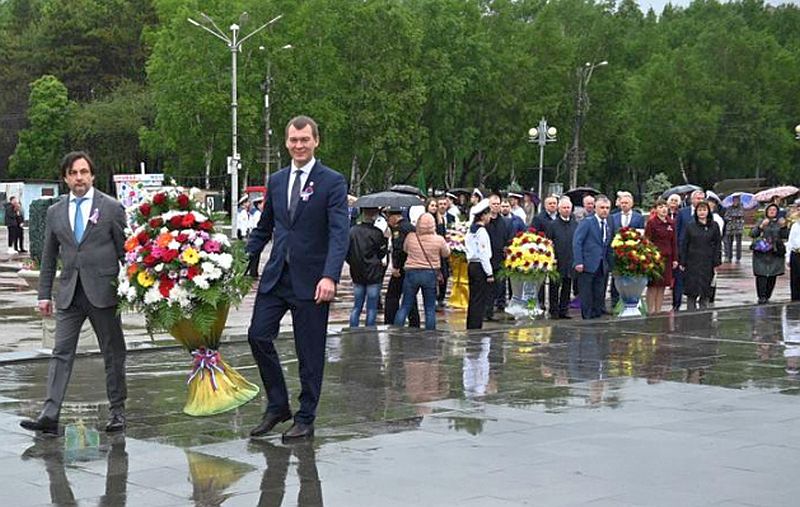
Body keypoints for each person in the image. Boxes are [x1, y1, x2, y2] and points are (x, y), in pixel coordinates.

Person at [246, 115, 349, 441]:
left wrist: (330, 276)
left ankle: (306, 417)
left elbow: (339, 233)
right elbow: (264, 227)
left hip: (313, 280)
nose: (299, 145)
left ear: (316, 141)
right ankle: (278, 405)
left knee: (309, 352)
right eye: (293, 140)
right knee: (257, 335)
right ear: (286, 142)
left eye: (305, 140)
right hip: (277, 276)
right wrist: (236, 262)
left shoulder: (332, 181)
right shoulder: (276, 180)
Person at [20, 151, 128, 435]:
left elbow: (126, 252)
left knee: (113, 353)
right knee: (60, 353)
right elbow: (48, 257)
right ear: (65, 178)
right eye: (73, 173)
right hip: (69, 293)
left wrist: (134, 287)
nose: (79, 178)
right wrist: (44, 294)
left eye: (83, 172)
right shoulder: (55, 212)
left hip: (103, 293)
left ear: (92, 175)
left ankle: (117, 411)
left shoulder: (111, 208)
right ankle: (50, 414)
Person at [394, 213, 450, 330]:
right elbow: (446, 253)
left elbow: (405, 249)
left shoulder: (411, 237)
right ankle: (430, 334)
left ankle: (396, 330)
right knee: (429, 308)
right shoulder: (438, 239)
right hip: (430, 274)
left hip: (411, 272)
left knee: (405, 305)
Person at [346, 208, 387, 327]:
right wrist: (385, 239)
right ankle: (369, 330)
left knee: (357, 306)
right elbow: (382, 253)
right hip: (374, 273)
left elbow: (347, 251)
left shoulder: (352, 231)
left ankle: (353, 329)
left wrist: (352, 262)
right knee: (372, 307)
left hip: (357, 272)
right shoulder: (377, 233)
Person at [573, 195, 612, 319]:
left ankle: (597, 315)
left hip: (601, 264)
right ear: (595, 208)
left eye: (607, 208)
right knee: (586, 293)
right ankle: (587, 317)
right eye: (602, 207)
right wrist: (578, 261)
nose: (605, 210)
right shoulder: (588, 222)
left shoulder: (608, 224)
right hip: (587, 264)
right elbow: (577, 241)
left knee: (599, 293)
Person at [679, 201, 721, 310]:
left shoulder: (714, 226)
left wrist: (717, 261)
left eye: (704, 210)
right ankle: (691, 313)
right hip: (692, 262)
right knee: (692, 292)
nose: (702, 212)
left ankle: (704, 313)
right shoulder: (690, 226)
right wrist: (682, 261)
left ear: (708, 211)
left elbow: (717, 244)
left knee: (705, 291)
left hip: (708, 262)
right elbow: (685, 244)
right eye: (699, 210)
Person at [608, 191, 646, 308]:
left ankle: (631, 299)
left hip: (632, 252)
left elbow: (641, 234)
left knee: (631, 276)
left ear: (632, 204)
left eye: (626, 203)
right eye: (622, 203)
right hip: (616, 251)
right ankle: (614, 302)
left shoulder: (638, 217)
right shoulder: (613, 217)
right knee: (616, 276)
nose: (624, 205)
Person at [384, 208, 420, 327]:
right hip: (413, 265)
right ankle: (414, 323)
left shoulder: (398, 229)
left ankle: (390, 321)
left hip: (402, 268)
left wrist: (396, 266)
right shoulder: (411, 227)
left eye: (388, 218)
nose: (388, 222)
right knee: (410, 296)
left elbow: (398, 250)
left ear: (393, 217)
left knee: (392, 296)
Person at [750, 203, 788, 304]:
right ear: (766, 211)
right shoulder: (761, 221)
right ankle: (761, 296)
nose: (772, 211)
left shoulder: (780, 222)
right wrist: (761, 226)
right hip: (761, 252)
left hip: (775, 252)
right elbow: (753, 234)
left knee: (772, 275)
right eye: (770, 210)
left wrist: (783, 227)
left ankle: (768, 295)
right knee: (761, 274)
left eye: (774, 210)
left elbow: (785, 236)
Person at [674, 190, 706, 310]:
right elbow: (677, 232)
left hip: (700, 254)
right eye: (698, 198)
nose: (700, 201)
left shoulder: (706, 214)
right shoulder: (682, 213)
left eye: (702, 198)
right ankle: (677, 304)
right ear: (692, 200)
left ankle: (700, 306)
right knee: (681, 280)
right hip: (684, 252)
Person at [645, 199, 678, 314]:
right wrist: (649, 258)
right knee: (653, 286)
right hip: (655, 259)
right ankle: (650, 310)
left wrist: (675, 259)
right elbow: (647, 241)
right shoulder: (652, 223)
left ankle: (658, 311)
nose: (663, 209)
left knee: (662, 286)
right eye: (660, 207)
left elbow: (674, 242)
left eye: (665, 206)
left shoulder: (671, 223)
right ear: (655, 209)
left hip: (667, 258)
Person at [547, 196, 577, 319]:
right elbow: (548, 242)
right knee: (554, 286)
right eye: (564, 207)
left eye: (568, 207)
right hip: (557, 260)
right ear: (559, 209)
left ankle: (564, 310)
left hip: (570, 259)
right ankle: (553, 310)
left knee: (567, 286)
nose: (566, 210)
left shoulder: (575, 224)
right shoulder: (552, 225)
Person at [465, 200, 494, 329]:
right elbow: (483, 254)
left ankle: (471, 323)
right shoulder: (481, 231)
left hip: (471, 264)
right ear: (483, 216)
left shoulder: (471, 230)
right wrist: (489, 273)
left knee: (473, 297)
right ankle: (476, 325)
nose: (489, 217)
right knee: (479, 298)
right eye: (488, 214)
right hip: (479, 266)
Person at [484, 193, 512, 319]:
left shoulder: (505, 222)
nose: (496, 206)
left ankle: (499, 305)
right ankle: (487, 311)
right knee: (487, 287)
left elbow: (508, 238)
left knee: (500, 285)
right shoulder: (485, 221)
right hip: (487, 258)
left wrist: (507, 247)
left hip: (500, 258)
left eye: (497, 204)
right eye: (493, 204)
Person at [435, 196, 454, 310]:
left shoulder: (451, 217)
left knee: (445, 274)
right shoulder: (433, 218)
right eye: (440, 204)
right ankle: (435, 298)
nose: (442, 206)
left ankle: (441, 298)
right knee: (437, 274)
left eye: (444, 204)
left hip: (447, 248)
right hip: (436, 249)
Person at [723, 195, 745, 263]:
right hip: (730, 227)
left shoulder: (741, 207)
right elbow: (726, 216)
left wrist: (734, 217)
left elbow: (741, 215)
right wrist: (731, 218)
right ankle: (729, 257)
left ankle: (738, 258)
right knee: (729, 243)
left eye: (737, 200)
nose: (735, 202)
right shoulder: (729, 207)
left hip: (738, 227)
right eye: (734, 200)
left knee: (738, 243)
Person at [248, 198, 265, 277]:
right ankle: (253, 272)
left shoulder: (254, 212)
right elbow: (257, 225)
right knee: (255, 255)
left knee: (254, 255)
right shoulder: (257, 213)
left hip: (252, 234)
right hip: (255, 235)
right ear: (258, 205)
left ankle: (253, 271)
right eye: (262, 204)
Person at [786, 210, 800, 301]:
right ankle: (795, 299)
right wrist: (788, 257)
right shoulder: (795, 225)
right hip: (795, 253)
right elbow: (790, 241)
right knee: (795, 279)